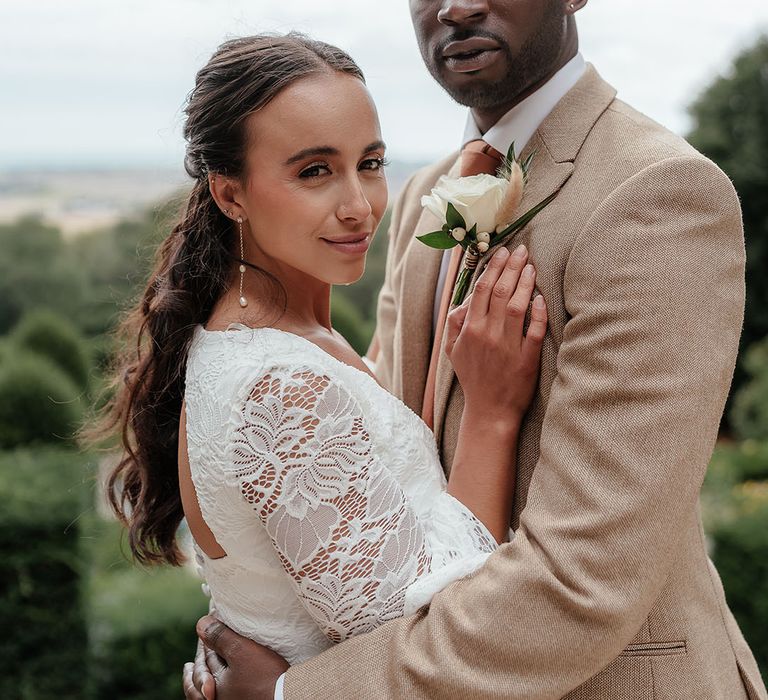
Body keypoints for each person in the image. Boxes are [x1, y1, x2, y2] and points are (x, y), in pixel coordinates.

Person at [183, 1, 768, 699]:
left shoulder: (655, 196)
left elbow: (582, 581)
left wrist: (295, 693)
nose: (456, 5)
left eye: (367, 163)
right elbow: (370, 472)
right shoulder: (429, 194)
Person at [93, 30, 550, 700]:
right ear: (230, 195)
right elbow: (429, 635)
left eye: (370, 163)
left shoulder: (281, 341)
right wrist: (491, 414)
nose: (358, 205)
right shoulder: (280, 387)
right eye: (314, 171)